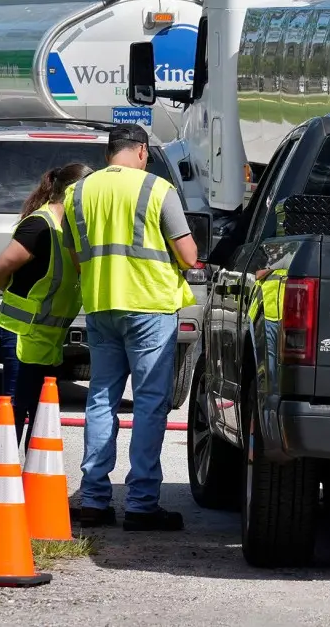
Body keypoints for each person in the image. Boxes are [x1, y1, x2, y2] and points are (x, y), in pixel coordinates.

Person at [65, 124, 197, 530]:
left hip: (102, 305)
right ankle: (140, 504)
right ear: (141, 151)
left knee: (101, 399)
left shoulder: (78, 192)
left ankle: (93, 500)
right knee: (150, 404)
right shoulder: (157, 190)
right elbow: (189, 255)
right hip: (151, 306)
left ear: (110, 153)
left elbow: (74, 255)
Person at [0, 162, 91, 446]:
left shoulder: (69, 231)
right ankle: (2, 485)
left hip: (47, 342)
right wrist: (9, 297)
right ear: (72, 194)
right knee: (14, 415)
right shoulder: (39, 225)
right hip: (21, 338)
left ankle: (28, 484)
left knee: (41, 418)